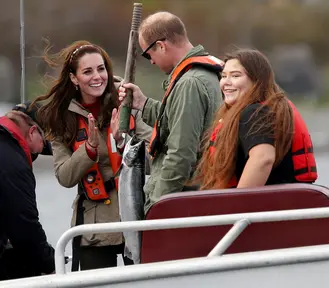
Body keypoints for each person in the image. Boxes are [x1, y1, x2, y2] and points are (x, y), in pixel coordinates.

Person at [31, 40, 148, 271]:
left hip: (134, 214)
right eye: (87, 71)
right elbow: (64, 176)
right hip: (93, 227)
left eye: (101, 68)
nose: (97, 76)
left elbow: (156, 157)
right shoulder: (60, 117)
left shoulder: (126, 102)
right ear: (74, 78)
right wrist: (89, 149)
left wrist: (123, 141)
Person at [119, 11, 223, 213]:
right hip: (199, 196)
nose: (151, 61)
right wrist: (143, 103)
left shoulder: (189, 83)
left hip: (184, 203)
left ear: (160, 45)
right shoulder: (207, 73)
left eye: (148, 54)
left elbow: (180, 155)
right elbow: (183, 121)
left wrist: (156, 206)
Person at [194, 48, 318, 190]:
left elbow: (263, 158)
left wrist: (236, 205)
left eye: (235, 76)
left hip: (269, 206)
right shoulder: (268, 108)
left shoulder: (255, 113)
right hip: (287, 199)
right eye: (223, 76)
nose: (225, 83)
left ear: (256, 80)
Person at [0, 110, 55, 280]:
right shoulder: (13, 161)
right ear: (32, 132)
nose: (43, 149)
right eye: (45, 141)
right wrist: (49, 262)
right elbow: (23, 224)